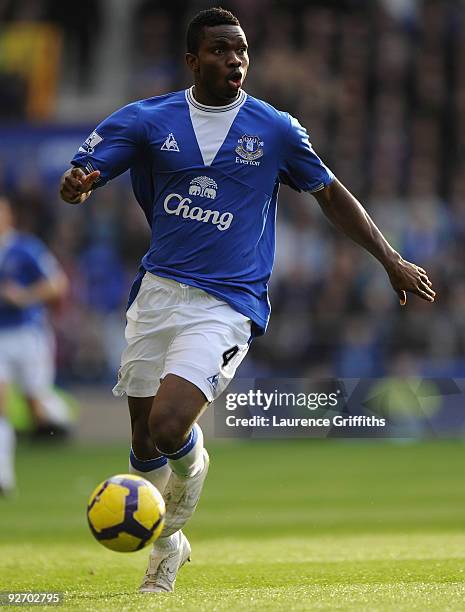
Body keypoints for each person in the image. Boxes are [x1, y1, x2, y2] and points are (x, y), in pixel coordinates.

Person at [59, 7, 436, 594]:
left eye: (240, 50)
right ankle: (171, 543)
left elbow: (332, 194)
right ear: (192, 59)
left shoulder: (275, 129)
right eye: (219, 50)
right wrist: (78, 183)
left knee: (169, 423)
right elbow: (87, 168)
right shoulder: (147, 119)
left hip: (227, 301)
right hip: (158, 291)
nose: (234, 59)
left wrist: (390, 260)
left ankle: (181, 498)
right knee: (141, 440)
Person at [0, 195, 70, 494]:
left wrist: (25, 295)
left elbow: (58, 283)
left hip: (29, 334)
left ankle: (61, 417)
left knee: (36, 406)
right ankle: (3, 478)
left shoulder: (25, 248)